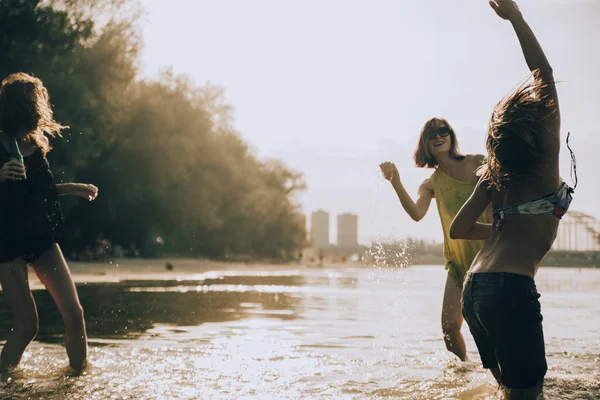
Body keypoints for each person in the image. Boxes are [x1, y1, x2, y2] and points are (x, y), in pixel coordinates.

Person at [449, 1, 574, 397]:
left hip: (475, 290)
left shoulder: (494, 173)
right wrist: (517, 19)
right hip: (509, 288)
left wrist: (502, 224)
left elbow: (459, 228)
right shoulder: (545, 159)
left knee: (509, 390)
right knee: (527, 393)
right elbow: (545, 74)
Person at [0, 72, 98, 372]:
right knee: (28, 325)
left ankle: (78, 380)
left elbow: (38, 189)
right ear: (15, 107)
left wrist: (73, 188)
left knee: (74, 312)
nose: (35, 109)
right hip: (7, 242)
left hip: (40, 236)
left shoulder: (36, 144)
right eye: (29, 103)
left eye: (37, 102)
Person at [379, 117, 491, 361]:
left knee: (491, 327)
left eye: (443, 131)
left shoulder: (478, 162)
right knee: (449, 328)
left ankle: (508, 381)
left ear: (451, 136)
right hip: (458, 263)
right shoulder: (432, 184)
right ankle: (464, 374)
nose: (438, 137)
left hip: (490, 256)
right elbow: (417, 214)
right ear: (425, 145)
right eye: (432, 134)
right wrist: (396, 182)